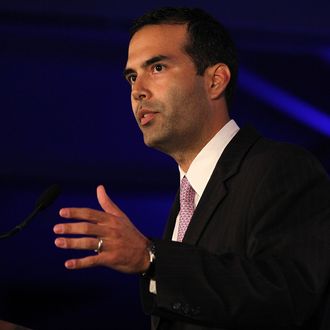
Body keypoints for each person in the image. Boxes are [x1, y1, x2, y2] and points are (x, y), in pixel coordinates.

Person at [53, 7, 330, 330]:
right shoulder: (189, 200)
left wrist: (151, 257)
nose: (137, 90)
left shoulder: (280, 168)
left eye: (156, 67)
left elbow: (289, 297)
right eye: (132, 76)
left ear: (215, 81)